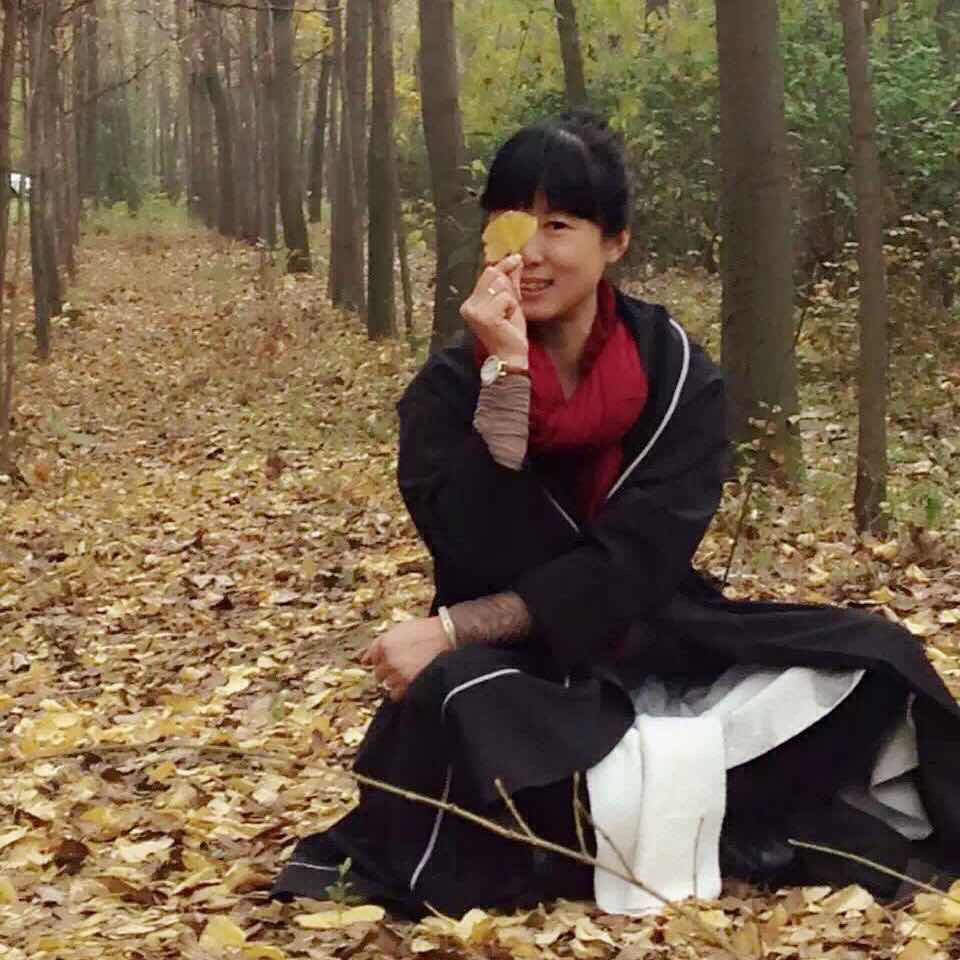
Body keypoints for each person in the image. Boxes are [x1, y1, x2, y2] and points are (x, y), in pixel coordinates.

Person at [274, 112, 960, 918]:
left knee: (875, 657)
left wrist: (451, 628)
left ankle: (669, 823)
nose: (530, 252)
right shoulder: (447, 392)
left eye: (558, 225)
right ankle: (737, 824)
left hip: (659, 629)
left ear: (615, 243)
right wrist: (505, 377)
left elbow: (637, 563)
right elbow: (472, 548)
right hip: (525, 670)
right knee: (458, 700)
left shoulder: (676, 374)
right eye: (512, 222)